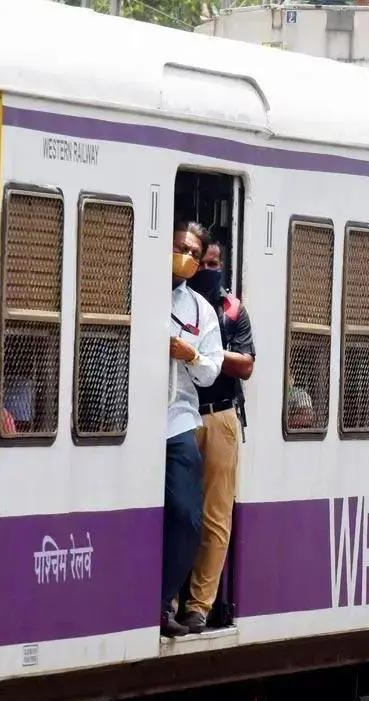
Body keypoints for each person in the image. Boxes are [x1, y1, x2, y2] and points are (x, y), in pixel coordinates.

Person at [179, 237, 255, 633]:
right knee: (181, 511)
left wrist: (204, 348)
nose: (208, 269)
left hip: (221, 417)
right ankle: (170, 599)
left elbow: (246, 365)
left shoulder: (232, 310)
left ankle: (199, 606)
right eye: (201, 262)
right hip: (181, 414)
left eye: (214, 262)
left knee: (215, 518)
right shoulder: (179, 304)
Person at [160, 222, 223, 637]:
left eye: (193, 252)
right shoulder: (131, 283)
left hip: (176, 420)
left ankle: (162, 600)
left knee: (186, 517)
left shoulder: (200, 309)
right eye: (180, 245)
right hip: (122, 421)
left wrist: (190, 353)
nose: (185, 254)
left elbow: (212, 371)